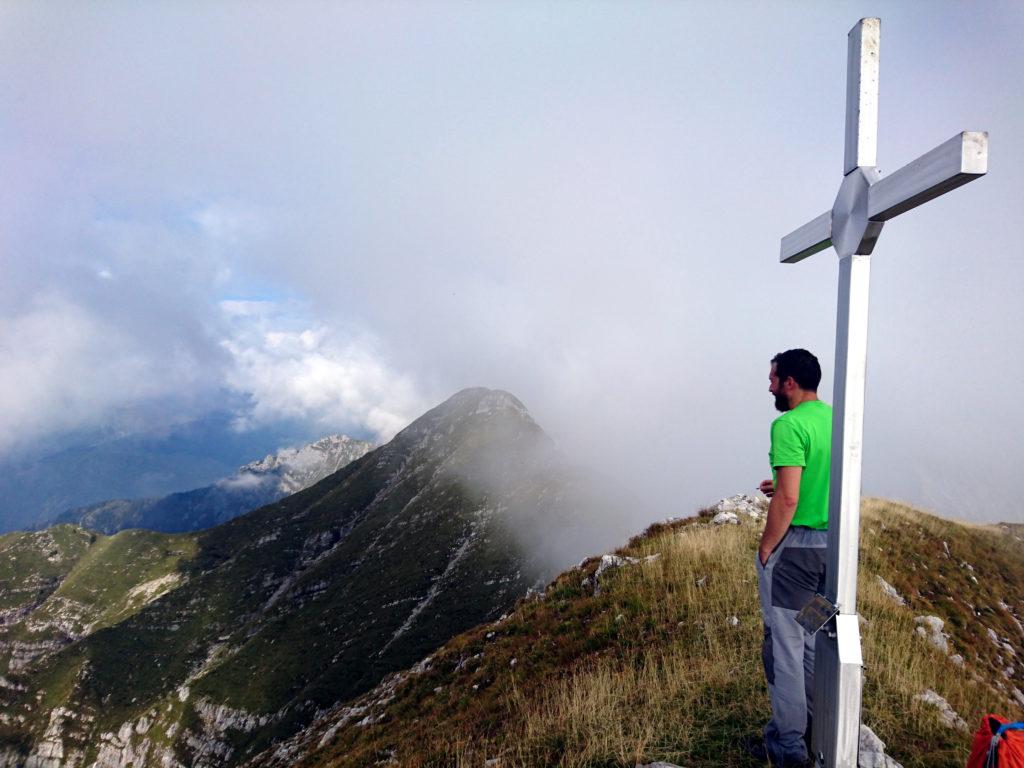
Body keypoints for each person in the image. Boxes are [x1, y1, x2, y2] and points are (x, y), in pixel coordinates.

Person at [749, 348, 831, 767]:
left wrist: (766, 549)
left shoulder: (788, 424)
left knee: (784, 645)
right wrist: (781, 484)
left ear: (790, 383)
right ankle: (820, 732)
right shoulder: (836, 420)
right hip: (829, 555)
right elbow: (812, 480)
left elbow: (791, 497)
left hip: (795, 553)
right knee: (812, 639)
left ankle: (787, 746)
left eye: (773, 378)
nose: (769, 386)